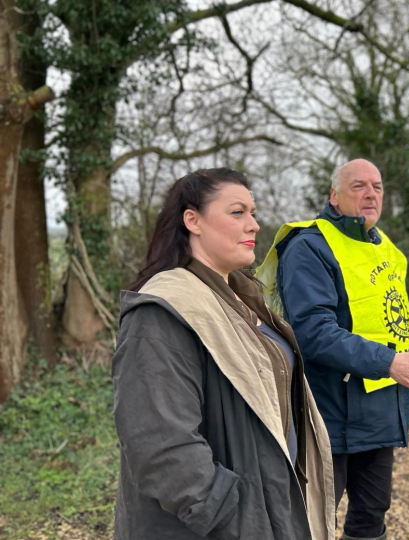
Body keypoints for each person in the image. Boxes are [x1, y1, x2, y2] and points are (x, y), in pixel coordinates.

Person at [112, 168, 334, 540]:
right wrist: (232, 517)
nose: (254, 225)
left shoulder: (243, 300)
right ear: (192, 220)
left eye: (253, 212)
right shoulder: (162, 310)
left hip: (268, 510)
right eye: (237, 212)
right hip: (217, 526)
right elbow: (161, 443)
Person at [257, 158, 409, 540]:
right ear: (334, 195)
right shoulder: (309, 246)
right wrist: (391, 363)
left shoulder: (387, 249)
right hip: (328, 414)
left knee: (371, 516)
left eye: (377, 187)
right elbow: (313, 332)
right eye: (358, 186)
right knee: (312, 521)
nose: (370, 194)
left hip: (379, 414)